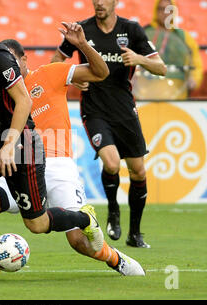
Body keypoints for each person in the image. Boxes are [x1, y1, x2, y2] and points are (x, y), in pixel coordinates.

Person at [0, 38, 146, 280]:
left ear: (25, 60)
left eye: (14, 62)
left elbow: (100, 71)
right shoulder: (3, 86)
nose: (9, 68)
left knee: (77, 240)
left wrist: (83, 46)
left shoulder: (51, 73)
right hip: (24, 160)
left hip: (58, 165)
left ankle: (116, 259)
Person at [51, 0, 167, 248]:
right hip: (94, 109)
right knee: (112, 163)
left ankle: (135, 234)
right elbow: (54, 65)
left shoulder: (132, 30)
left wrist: (139, 58)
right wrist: (71, 79)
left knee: (139, 171)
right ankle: (113, 210)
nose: (99, 3)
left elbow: (162, 68)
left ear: (116, 1)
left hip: (124, 109)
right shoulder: (81, 30)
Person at [136, 0, 203, 99]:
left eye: (169, 10)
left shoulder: (183, 36)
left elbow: (195, 63)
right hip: (145, 91)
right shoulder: (144, 33)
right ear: (156, 11)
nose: (165, 14)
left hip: (176, 92)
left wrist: (194, 79)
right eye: (161, 9)